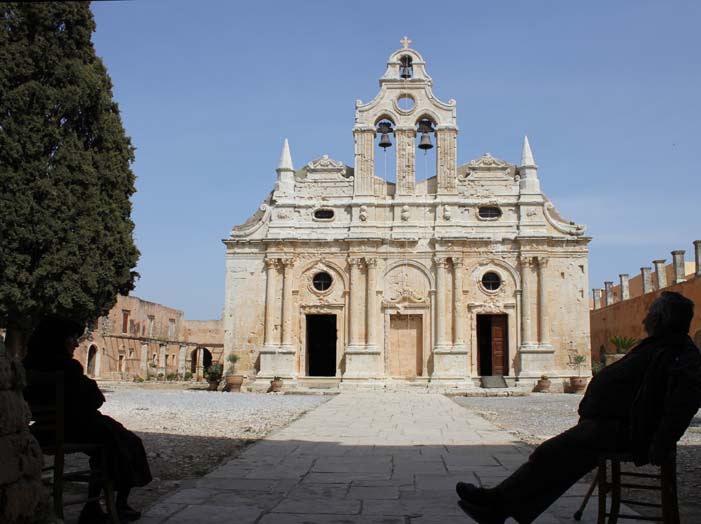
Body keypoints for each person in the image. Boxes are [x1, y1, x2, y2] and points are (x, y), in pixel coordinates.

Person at [455, 291, 701, 524]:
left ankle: (497, 503)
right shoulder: (659, 346)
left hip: (627, 432)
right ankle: (499, 506)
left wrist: (661, 443)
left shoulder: (680, 353)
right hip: (611, 427)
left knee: (551, 453)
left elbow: (685, 401)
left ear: (659, 318)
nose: (644, 317)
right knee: (561, 461)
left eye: (650, 313)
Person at [24, 315, 152, 524]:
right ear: (60, 339)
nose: (76, 343)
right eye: (73, 338)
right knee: (124, 442)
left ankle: (95, 507)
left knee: (110, 443)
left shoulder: (26, 366)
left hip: (43, 430)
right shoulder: (67, 367)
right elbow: (95, 399)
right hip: (75, 427)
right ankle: (114, 505)